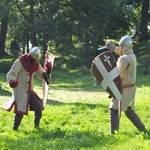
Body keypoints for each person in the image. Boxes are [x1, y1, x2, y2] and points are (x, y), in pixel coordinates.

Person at [105, 35, 146, 134]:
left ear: (123, 47)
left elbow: (116, 74)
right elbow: (123, 54)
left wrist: (105, 76)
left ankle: (114, 133)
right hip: (131, 88)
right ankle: (143, 130)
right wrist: (113, 47)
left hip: (124, 89)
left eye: (120, 46)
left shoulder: (123, 59)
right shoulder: (132, 56)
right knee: (129, 111)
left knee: (113, 109)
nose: (119, 48)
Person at [5, 47, 52, 130]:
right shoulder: (20, 61)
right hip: (20, 91)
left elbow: (41, 74)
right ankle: (15, 129)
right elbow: (10, 74)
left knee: (38, 107)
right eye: (34, 59)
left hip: (29, 90)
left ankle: (36, 127)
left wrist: (47, 71)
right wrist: (12, 81)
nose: (35, 61)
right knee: (20, 112)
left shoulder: (35, 63)